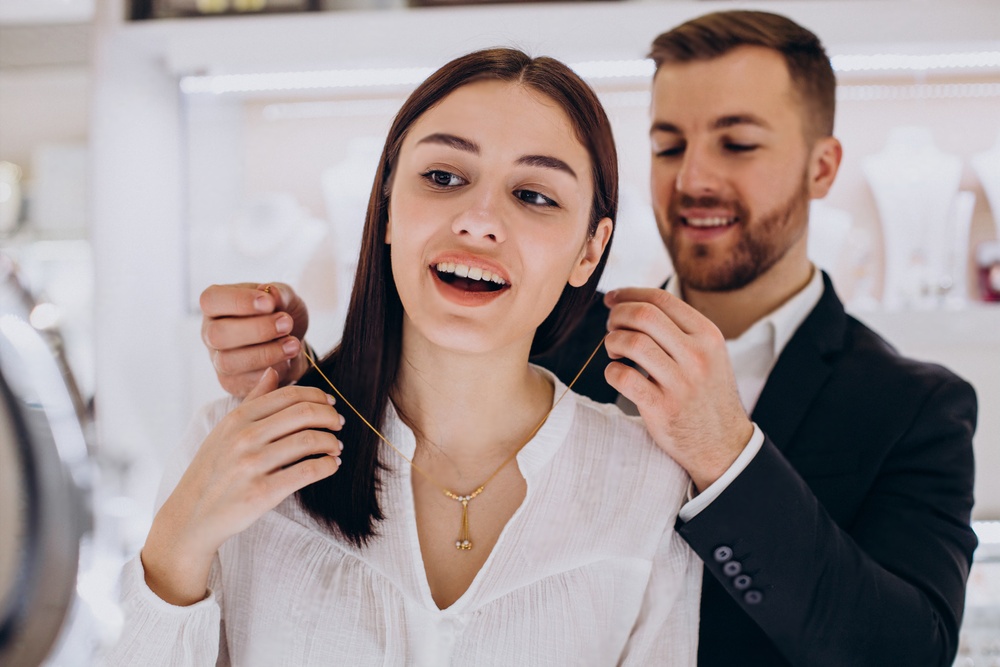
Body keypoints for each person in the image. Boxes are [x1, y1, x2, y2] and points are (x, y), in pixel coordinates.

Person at [198, 10, 979, 667]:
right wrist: (304, 354)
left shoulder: (918, 408)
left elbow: (908, 650)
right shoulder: (551, 332)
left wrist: (725, 453)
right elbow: (434, 356)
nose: (695, 177)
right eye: (670, 144)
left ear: (823, 167)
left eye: (737, 144)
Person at [105, 48, 702, 666]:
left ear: (589, 250)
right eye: (444, 178)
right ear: (387, 204)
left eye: (534, 195)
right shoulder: (238, 445)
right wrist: (177, 542)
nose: (479, 221)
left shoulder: (647, 481)